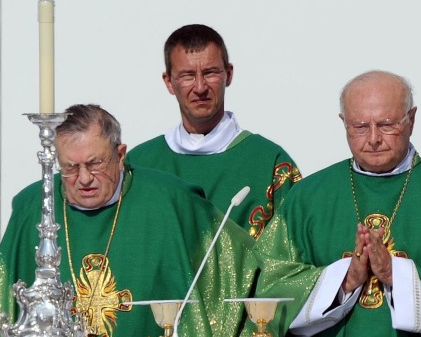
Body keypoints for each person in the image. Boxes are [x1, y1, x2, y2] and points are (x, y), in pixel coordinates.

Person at [0, 104, 257, 337]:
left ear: (120, 154)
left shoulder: (171, 202)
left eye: (95, 163)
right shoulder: (34, 209)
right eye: (70, 168)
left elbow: (248, 267)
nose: (84, 178)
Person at [253, 71, 421, 337]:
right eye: (360, 126)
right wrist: (344, 280)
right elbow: (268, 291)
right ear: (343, 123)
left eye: (386, 125)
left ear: (411, 119)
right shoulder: (307, 197)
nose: (373, 139)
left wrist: (395, 274)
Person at [128, 24, 301, 239]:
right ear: (169, 82)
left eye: (210, 73)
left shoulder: (270, 162)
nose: (200, 87)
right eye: (187, 76)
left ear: (228, 75)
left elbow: (297, 248)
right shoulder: (138, 165)